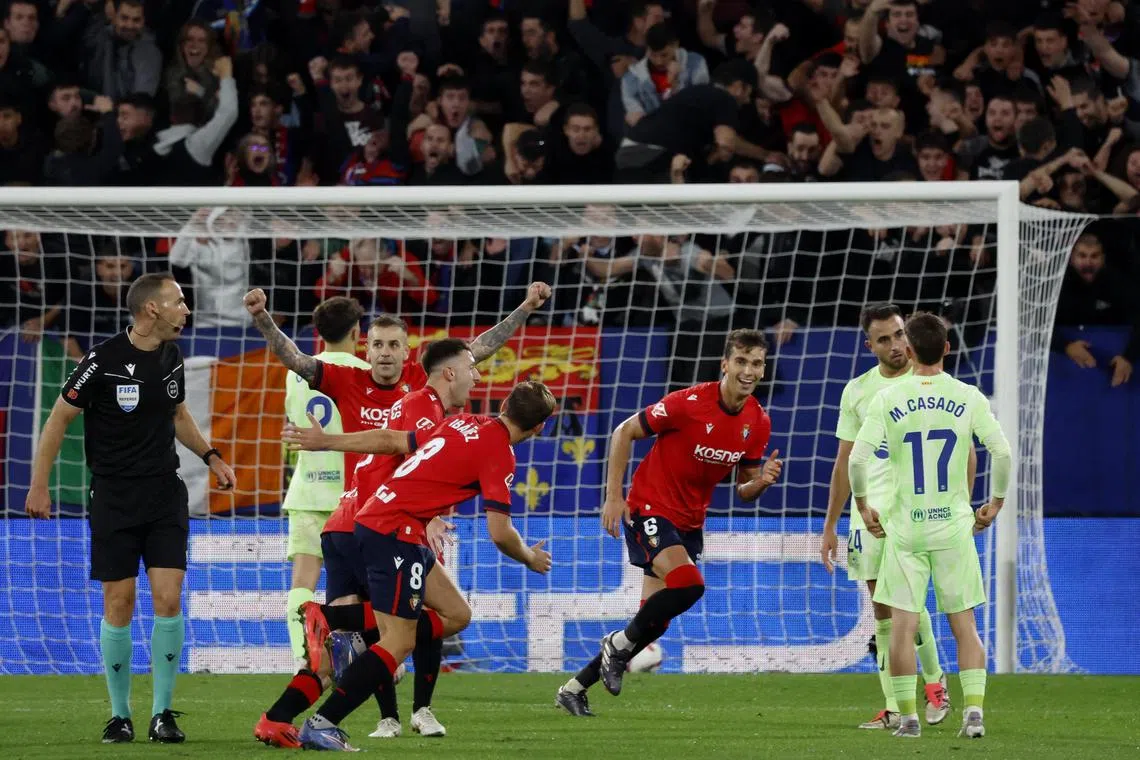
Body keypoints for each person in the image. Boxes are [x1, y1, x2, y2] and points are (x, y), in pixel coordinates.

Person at [24, 273, 237, 744]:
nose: (186, 309)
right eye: (178, 302)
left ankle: (162, 714)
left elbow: (178, 415)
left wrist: (210, 456)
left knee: (168, 597)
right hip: (115, 497)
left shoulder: (171, 356)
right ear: (152, 310)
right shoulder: (102, 359)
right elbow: (59, 417)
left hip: (164, 493)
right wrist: (39, 485)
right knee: (119, 603)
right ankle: (119, 715)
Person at [295, 382, 559, 751]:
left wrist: (328, 441)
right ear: (539, 428)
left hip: (388, 523)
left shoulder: (462, 421)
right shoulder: (500, 453)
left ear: (503, 404)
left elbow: (394, 440)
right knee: (399, 642)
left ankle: (339, 621)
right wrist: (529, 557)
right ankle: (322, 723)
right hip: (393, 530)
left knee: (455, 613)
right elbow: (500, 533)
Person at [256, 338, 478, 746]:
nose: (476, 375)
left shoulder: (415, 402)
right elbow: (394, 443)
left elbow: (398, 456)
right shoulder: (422, 406)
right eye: (470, 367)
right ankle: (338, 630)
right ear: (449, 372)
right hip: (376, 527)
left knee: (349, 652)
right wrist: (327, 443)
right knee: (427, 622)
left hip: (347, 525)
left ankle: (277, 718)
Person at [558, 329, 783, 716]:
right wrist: (614, 496)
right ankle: (615, 646)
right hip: (649, 507)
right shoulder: (688, 402)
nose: (749, 370)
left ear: (763, 369)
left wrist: (760, 482)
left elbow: (743, 488)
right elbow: (624, 431)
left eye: (757, 363)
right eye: (742, 361)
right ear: (725, 364)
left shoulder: (757, 422)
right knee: (689, 584)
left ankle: (575, 688)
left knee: (653, 624)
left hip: (689, 523)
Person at [849, 312, 1011, 739]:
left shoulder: (888, 398)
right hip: (953, 527)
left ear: (910, 348)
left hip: (906, 529)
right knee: (965, 626)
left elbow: (857, 460)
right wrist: (994, 503)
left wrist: (864, 507)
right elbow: (1003, 453)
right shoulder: (969, 396)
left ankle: (908, 719)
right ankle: (973, 714)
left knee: (901, 627)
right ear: (947, 348)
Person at [818, 304, 951, 730]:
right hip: (866, 512)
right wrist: (830, 524)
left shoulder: (928, 381)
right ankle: (895, 705)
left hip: (914, 508)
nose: (896, 345)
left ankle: (935, 685)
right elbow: (844, 462)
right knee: (881, 608)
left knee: (906, 599)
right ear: (869, 345)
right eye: (885, 339)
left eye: (899, 335)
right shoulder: (857, 390)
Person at [279, 296, 369, 672]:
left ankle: (304, 658)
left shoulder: (296, 372)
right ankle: (360, 662)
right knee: (359, 586)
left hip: (307, 488)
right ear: (356, 332)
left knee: (303, 579)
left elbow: (292, 427)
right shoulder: (366, 371)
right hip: (353, 494)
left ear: (318, 333)